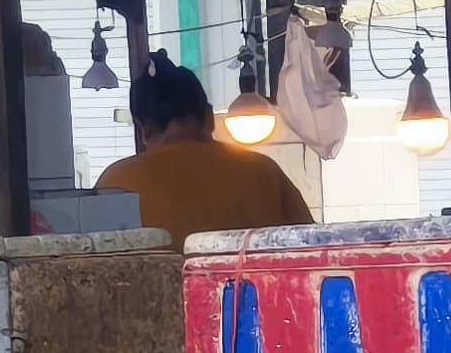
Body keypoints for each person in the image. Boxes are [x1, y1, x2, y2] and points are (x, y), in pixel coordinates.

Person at [95, 58, 313, 246]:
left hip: (154, 295)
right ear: (209, 117)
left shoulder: (115, 184)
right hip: (250, 293)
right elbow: (312, 247)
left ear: (145, 129)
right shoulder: (264, 172)